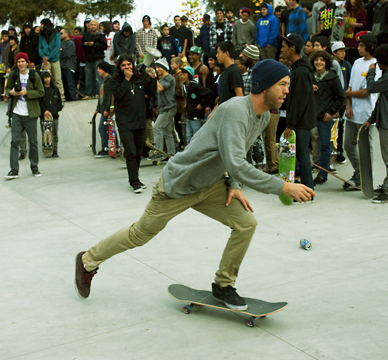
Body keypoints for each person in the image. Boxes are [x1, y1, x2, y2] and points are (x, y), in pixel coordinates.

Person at [74, 59, 315, 308]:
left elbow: (235, 156)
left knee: (246, 224)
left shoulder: (262, 117)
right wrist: (283, 187)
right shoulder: (236, 111)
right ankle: (88, 260)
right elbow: (236, 163)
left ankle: (223, 285)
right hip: (179, 184)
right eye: (283, 84)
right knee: (140, 234)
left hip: (210, 185)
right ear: (265, 86)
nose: (287, 90)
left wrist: (233, 185)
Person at [364, 44, 388, 203]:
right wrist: (371, 119)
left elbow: (371, 87)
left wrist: (371, 71)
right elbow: (381, 101)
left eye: (379, 61)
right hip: (384, 121)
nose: (378, 64)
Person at [110, 55, 157, 193]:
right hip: (125, 122)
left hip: (140, 121)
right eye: (123, 65)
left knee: (137, 153)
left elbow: (151, 92)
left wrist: (153, 78)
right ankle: (134, 182)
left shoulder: (140, 77)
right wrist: (126, 80)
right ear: (119, 67)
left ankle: (135, 179)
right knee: (130, 152)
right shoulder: (115, 80)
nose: (127, 67)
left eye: (129, 64)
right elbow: (118, 95)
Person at [343, 33, 380, 188]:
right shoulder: (357, 62)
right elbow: (350, 86)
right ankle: (360, 172)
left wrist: (348, 94)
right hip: (352, 112)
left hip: (366, 112)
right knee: (347, 145)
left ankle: (365, 175)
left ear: (369, 47)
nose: (358, 48)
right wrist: (348, 105)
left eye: (361, 46)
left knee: (364, 147)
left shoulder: (376, 65)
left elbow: (367, 91)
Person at [280, 33, 316, 191]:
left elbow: (300, 100)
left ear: (292, 48)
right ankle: (304, 188)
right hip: (299, 120)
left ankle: (308, 191)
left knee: (302, 155)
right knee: (299, 155)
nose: (282, 50)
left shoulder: (301, 70)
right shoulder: (297, 69)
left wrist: (291, 123)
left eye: (284, 47)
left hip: (301, 121)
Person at [4, 52, 45, 179]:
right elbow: (7, 89)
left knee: (33, 142)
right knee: (14, 141)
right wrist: (10, 92)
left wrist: (27, 92)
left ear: (27, 62)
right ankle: (14, 170)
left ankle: (34, 167)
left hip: (30, 114)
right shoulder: (13, 74)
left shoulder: (34, 75)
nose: (21, 64)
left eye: (23, 61)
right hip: (16, 113)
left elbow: (41, 91)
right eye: (18, 61)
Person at [309, 51, 345, 185]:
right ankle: (308, 170)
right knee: (310, 145)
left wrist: (331, 112)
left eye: (322, 60)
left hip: (324, 118)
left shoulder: (332, 78)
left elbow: (340, 98)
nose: (319, 62)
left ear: (326, 62)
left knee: (325, 146)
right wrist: (309, 88)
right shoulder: (309, 77)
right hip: (310, 116)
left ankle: (322, 174)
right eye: (316, 60)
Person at [152, 58, 177, 158]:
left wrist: (154, 78)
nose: (157, 69)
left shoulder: (169, 78)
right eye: (156, 67)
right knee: (167, 131)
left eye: (158, 67)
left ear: (164, 68)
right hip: (164, 108)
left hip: (169, 107)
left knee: (157, 127)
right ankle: (171, 153)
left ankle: (159, 151)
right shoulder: (161, 79)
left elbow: (160, 88)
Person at [39, 70, 63, 159]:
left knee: (55, 133)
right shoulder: (41, 90)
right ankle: (47, 150)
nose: (47, 79)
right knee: (46, 134)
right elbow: (39, 103)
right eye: (45, 78)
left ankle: (55, 150)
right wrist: (44, 111)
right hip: (44, 117)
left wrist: (54, 111)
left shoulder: (55, 89)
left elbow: (60, 103)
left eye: (48, 77)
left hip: (54, 116)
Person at [39, 19, 64, 100]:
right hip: (45, 61)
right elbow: (40, 48)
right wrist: (43, 56)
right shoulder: (41, 35)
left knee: (57, 79)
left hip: (55, 59)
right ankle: (48, 97)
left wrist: (48, 57)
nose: (40, 26)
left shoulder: (56, 34)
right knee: (46, 80)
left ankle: (61, 98)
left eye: (42, 24)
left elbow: (57, 47)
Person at [83, 20, 107, 98]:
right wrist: (85, 44)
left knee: (98, 77)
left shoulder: (101, 35)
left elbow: (104, 46)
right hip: (89, 59)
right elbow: (82, 45)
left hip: (98, 58)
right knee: (88, 77)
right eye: (91, 25)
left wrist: (94, 44)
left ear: (97, 26)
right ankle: (88, 93)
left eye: (94, 25)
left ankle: (98, 93)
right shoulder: (86, 35)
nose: (93, 26)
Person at [94, 61, 114, 157]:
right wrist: (97, 109)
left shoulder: (109, 80)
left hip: (107, 110)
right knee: (109, 128)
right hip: (103, 109)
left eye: (99, 69)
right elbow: (101, 97)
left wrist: (107, 109)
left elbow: (109, 96)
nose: (98, 70)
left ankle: (105, 148)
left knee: (102, 128)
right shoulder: (103, 80)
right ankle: (113, 147)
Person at [215, 41, 244, 106]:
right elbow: (222, 99)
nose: (216, 55)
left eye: (218, 53)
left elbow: (240, 96)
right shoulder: (225, 71)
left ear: (226, 53)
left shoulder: (234, 71)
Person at [343, 0, 368, 65]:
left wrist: (356, 24)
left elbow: (364, 24)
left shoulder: (361, 11)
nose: (353, 1)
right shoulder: (345, 10)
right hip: (345, 40)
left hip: (355, 40)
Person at [60, 28, 78, 101]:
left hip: (69, 66)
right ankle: (67, 97)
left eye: (61, 33)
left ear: (67, 34)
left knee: (70, 83)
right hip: (62, 66)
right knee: (64, 83)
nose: (60, 35)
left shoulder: (70, 43)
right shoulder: (61, 43)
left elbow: (66, 54)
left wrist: (60, 51)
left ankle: (72, 98)